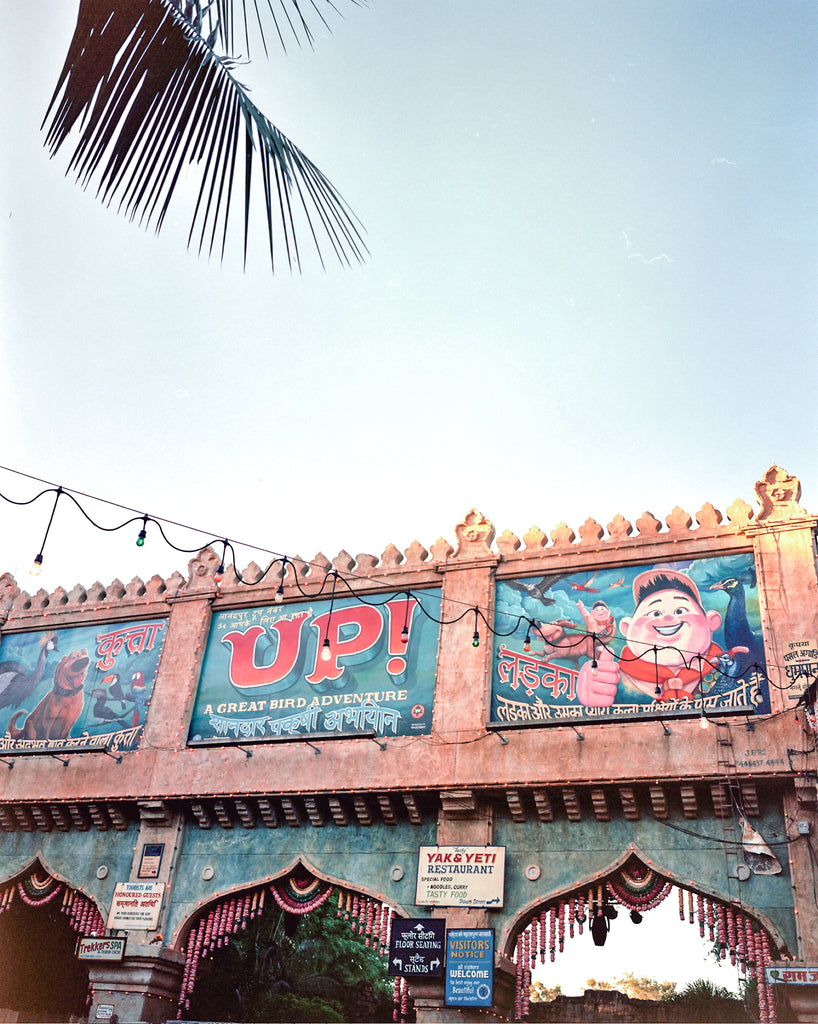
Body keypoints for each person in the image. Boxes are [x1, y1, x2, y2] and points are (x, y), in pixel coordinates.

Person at [576, 569, 724, 706]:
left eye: (680, 610)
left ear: (711, 621)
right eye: (655, 613)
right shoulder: (621, 679)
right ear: (627, 628)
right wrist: (596, 688)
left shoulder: (725, 668)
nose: (667, 618)